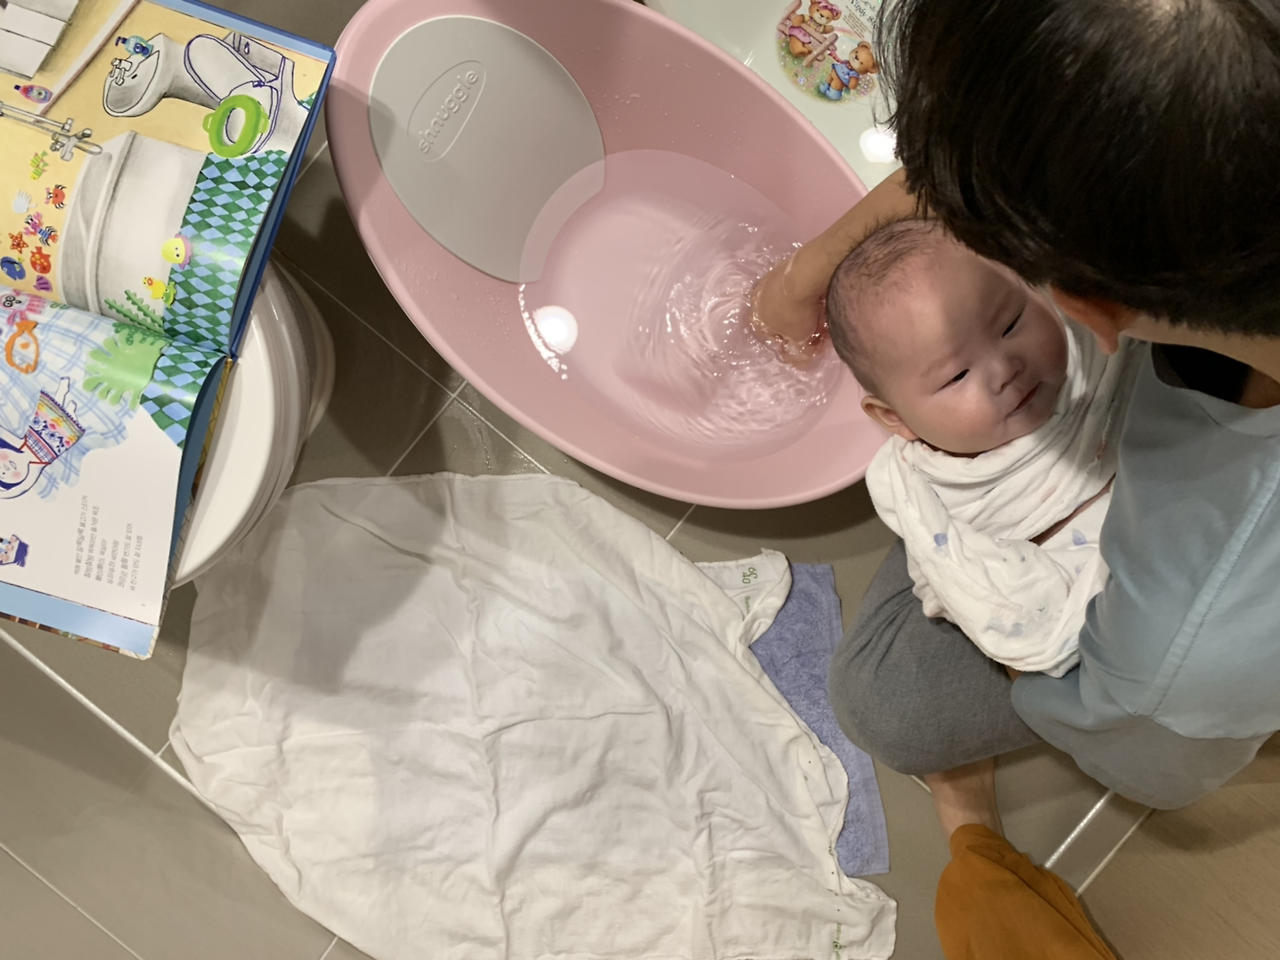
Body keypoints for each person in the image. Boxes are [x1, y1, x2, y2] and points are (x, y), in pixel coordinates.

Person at [753, 0, 1280, 825]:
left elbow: (1147, 753)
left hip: (1141, 654)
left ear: (1078, 311)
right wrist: (808, 271)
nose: (1001, 373)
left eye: (1004, 320)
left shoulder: (1175, 647)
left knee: (881, 703)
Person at [825, 221, 1138, 677]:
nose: (1005, 368)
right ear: (895, 418)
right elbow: (975, 589)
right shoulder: (919, 490)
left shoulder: (1091, 331)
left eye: (1010, 324)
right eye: (957, 376)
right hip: (1099, 599)